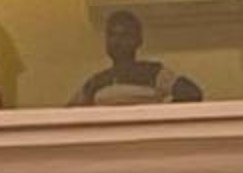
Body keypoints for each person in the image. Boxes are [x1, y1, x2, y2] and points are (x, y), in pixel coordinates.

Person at [71, 8, 203, 107]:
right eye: (112, 35)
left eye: (124, 35)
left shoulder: (153, 73)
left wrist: (159, 115)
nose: (117, 41)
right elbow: (68, 113)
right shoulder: (96, 81)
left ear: (138, 40)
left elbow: (191, 94)